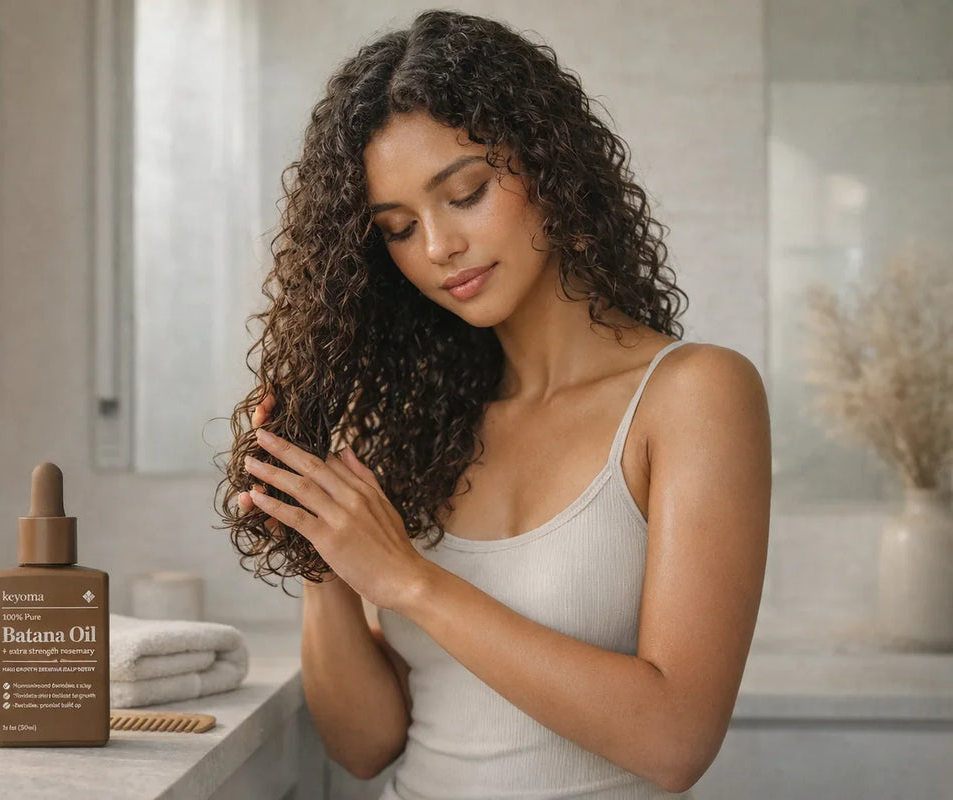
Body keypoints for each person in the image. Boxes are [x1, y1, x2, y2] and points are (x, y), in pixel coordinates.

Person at [221, 10, 771, 799]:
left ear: (551, 167)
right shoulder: (421, 424)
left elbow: (675, 740)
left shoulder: (693, 395)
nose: (439, 246)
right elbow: (365, 745)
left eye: (467, 194)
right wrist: (323, 544)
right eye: (401, 228)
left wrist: (409, 581)